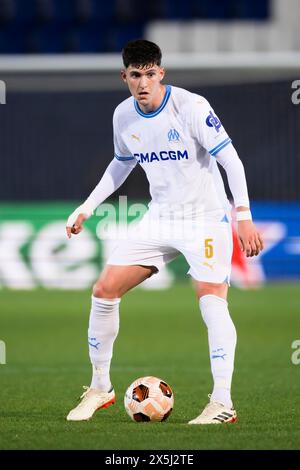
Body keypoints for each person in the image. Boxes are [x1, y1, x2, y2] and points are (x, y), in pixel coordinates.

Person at [65, 39, 263, 424]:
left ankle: (222, 402)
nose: (144, 83)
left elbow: (231, 160)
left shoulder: (191, 107)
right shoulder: (123, 116)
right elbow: (121, 165)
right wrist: (87, 207)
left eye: (151, 74)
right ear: (124, 76)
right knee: (104, 290)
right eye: (135, 75)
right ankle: (100, 387)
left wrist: (243, 215)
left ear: (162, 73)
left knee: (210, 300)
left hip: (205, 218)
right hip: (160, 218)